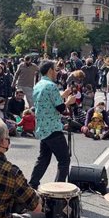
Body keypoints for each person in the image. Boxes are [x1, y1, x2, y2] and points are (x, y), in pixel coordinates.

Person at [29, 60, 77, 189]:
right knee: (64, 160)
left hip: (42, 127)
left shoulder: (38, 85)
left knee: (43, 159)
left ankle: (32, 184)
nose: (57, 72)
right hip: (53, 128)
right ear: (50, 70)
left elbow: (47, 102)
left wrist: (64, 95)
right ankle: (58, 189)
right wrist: (69, 101)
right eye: (55, 70)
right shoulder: (51, 86)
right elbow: (60, 108)